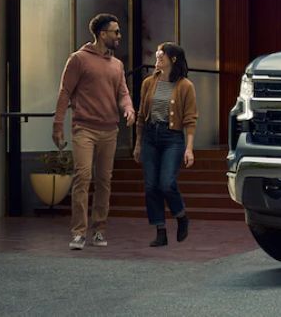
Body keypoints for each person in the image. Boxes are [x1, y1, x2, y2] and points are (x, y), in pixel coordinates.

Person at [54, 13, 135, 250]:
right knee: (83, 176)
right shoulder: (78, 59)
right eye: (115, 32)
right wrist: (57, 124)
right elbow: (64, 92)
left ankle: (99, 229)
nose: (119, 36)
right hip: (84, 129)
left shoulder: (117, 65)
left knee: (104, 181)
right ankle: (79, 232)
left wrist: (128, 108)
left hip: (109, 130)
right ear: (102, 34)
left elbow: (123, 92)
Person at [134, 42, 197, 246]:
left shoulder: (186, 85)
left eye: (162, 55)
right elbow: (141, 116)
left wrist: (189, 148)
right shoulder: (147, 83)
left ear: (173, 59)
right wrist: (138, 144)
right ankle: (160, 231)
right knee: (151, 186)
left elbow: (190, 119)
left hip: (173, 138)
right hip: (150, 137)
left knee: (166, 183)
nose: (158, 57)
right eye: (157, 54)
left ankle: (181, 216)